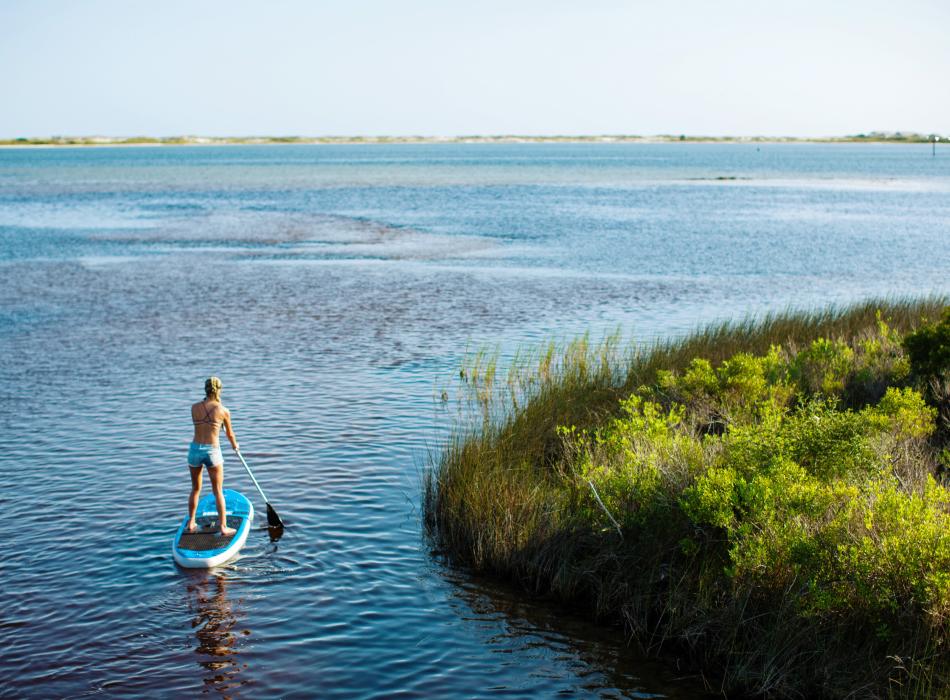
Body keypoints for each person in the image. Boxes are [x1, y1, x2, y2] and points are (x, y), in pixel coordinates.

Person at [187, 376, 239, 536]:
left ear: (205, 389)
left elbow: (202, 424)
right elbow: (230, 434)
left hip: (195, 450)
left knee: (196, 489)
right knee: (218, 490)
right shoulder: (223, 410)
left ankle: (191, 523)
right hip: (212, 451)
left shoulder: (194, 407)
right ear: (219, 389)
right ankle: (223, 527)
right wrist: (235, 446)